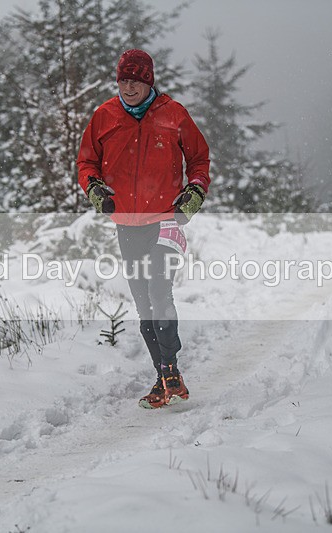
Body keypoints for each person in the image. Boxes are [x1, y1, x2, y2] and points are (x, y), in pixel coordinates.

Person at [77, 49, 210, 409]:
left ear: (148, 80)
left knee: (159, 291)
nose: (129, 86)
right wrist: (94, 189)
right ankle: (165, 374)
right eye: (123, 79)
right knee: (143, 304)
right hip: (128, 224)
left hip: (168, 219)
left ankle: (169, 369)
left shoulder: (174, 114)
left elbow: (199, 159)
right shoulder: (104, 116)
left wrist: (195, 190)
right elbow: (86, 162)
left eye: (136, 79)